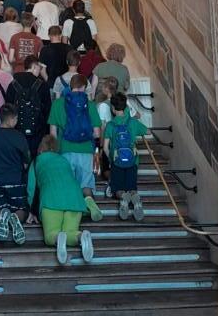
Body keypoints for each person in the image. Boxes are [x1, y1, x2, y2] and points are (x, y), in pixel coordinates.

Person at [27, 135, 94, 265]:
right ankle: (81, 236)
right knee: (70, 231)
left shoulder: (37, 161)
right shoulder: (64, 160)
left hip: (51, 199)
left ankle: (58, 237)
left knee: (50, 235)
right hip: (75, 199)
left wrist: (31, 210)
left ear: (41, 147)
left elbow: (31, 189)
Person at [48, 74, 103, 222]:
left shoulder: (57, 104)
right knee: (86, 185)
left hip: (65, 150)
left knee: (68, 184)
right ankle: (89, 202)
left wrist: (54, 152)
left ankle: (71, 216)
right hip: (86, 151)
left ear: (70, 86)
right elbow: (97, 133)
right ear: (84, 87)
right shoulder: (89, 104)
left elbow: (53, 133)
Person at [0, 103, 30, 245]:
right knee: (21, 209)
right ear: (12, 119)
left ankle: (3, 216)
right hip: (15, 180)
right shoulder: (19, 137)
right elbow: (26, 163)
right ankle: (15, 218)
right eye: (16, 118)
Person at [103, 92, 149, 221]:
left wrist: (111, 159)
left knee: (117, 188)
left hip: (117, 162)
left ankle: (123, 197)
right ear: (125, 107)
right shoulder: (133, 122)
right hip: (132, 162)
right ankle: (136, 200)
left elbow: (105, 147)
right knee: (132, 187)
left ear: (113, 108)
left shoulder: (110, 125)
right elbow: (147, 131)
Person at [6, 55, 51, 158]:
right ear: (34, 66)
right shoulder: (43, 85)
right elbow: (47, 110)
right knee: (35, 160)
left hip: (16, 132)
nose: (40, 70)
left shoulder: (13, 84)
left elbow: (8, 108)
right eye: (39, 67)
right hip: (37, 133)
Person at [95, 76, 118, 181]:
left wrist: (101, 143)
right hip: (119, 138)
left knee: (107, 166)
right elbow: (136, 115)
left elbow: (102, 126)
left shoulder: (103, 106)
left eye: (103, 86)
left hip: (108, 139)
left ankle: (112, 183)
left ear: (107, 89)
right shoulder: (123, 102)